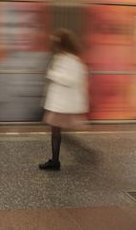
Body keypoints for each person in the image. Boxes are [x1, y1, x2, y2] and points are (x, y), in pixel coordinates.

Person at [39, 28, 89, 170]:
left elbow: (72, 80)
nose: (53, 45)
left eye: (55, 42)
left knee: (58, 132)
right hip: (60, 103)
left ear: (62, 43)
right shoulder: (62, 57)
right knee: (58, 132)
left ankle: (60, 160)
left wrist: (53, 74)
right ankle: (56, 160)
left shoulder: (72, 60)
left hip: (64, 104)